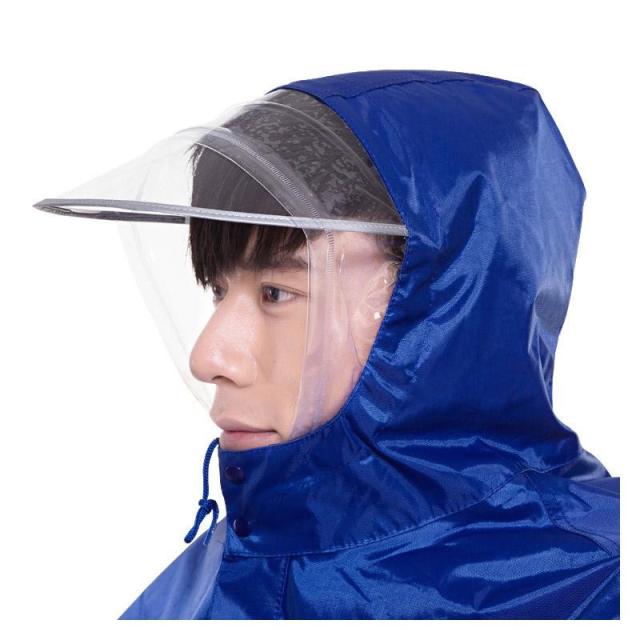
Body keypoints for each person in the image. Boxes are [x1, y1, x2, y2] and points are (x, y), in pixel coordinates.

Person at [34, 70, 620, 619]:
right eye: (218, 290)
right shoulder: (197, 588)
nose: (209, 357)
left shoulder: (593, 588)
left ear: (442, 307)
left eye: (276, 293)